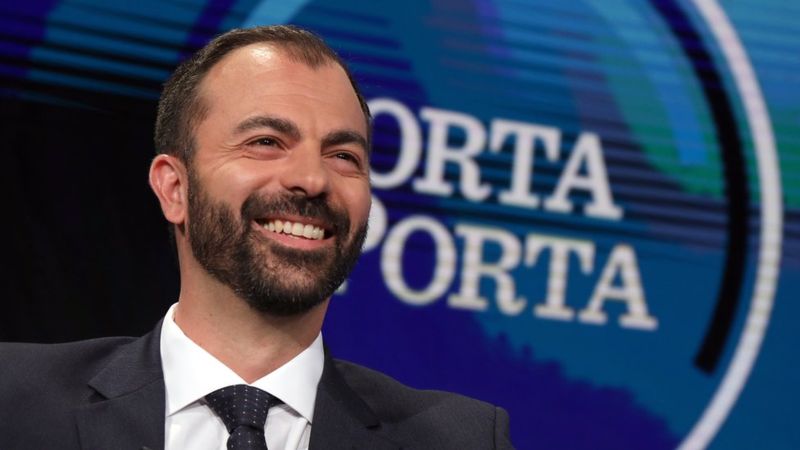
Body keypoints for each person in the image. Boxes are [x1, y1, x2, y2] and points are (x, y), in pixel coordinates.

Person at [0, 25, 513, 450]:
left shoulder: (460, 440)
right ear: (175, 188)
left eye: (343, 156)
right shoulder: (14, 401)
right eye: (266, 142)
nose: (312, 179)